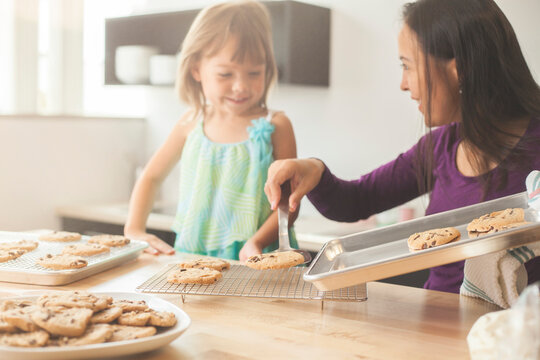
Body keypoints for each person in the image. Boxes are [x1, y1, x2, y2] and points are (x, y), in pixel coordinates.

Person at [264, 0, 540, 294]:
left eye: (407, 66)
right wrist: (314, 170)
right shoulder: (439, 147)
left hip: (507, 336)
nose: (403, 84)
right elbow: (358, 199)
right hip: (430, 331)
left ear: (460, 69)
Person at [125, 0, 298, 260]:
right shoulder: (191, 122)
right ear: (196, 69)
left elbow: (289, 203)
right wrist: (134, 229)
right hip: (193, 257)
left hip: (258, 256)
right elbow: (151, 178)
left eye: (253, 73)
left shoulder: (276, 125)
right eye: (225, 75)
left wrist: (256, 242)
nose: (241, 86)